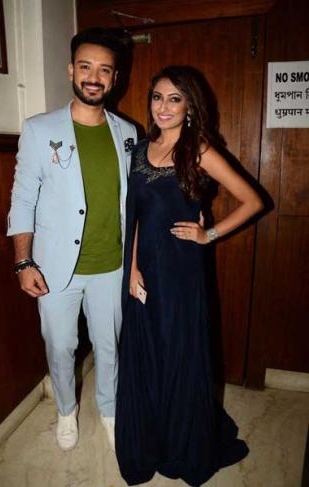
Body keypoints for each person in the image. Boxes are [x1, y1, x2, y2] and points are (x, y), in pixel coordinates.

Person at [115, 66, 261, 486]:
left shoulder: (199, 150)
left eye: (174, 99)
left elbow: (253, 200)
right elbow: (136, 215)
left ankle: (182, 443)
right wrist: (132, 267)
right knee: (146, 351)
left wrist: (207, 234)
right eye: (157, 97)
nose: (163, 107)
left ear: (190, 107)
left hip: (180, 270)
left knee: (178, 351)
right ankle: (151, 438)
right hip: (144, 267)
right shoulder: (141, 150)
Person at [7, 28, 137, 451]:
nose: (94, 77)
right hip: (53, 268)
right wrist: (23, 262)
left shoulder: (128, 133)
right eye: (86, 67)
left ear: (115, 78)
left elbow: (136, 201)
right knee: (61, 347)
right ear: (71, 71)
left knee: (109, 345)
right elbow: (22, 199)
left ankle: (110, 409)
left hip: (112, 265)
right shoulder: (39, 129)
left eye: (104, 70)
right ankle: (66, 410)